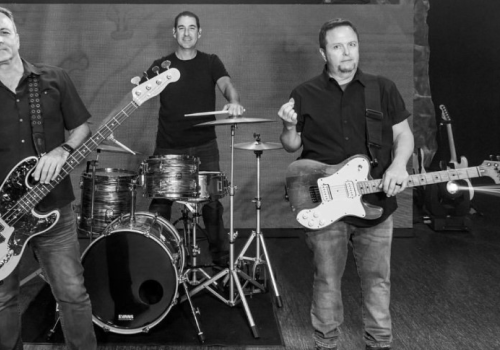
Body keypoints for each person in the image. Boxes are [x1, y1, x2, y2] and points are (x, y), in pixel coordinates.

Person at [278, 19, 414, 350]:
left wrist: (398, 164)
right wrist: (287, 126)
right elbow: (291, 146)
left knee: (378, 282)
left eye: (352, 44)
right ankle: (327, 344)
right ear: (322, 52)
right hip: (325, 205)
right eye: (337, 46)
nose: (347, 52)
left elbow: (404, 134)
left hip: (376, 201)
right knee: (326, 281)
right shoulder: (304, 93)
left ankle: (379, 343)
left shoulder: (382, 88)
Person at [0, 7, 96, 350]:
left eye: (4, 32)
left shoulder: (54, 78)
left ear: (18, 38)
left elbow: (82, 126)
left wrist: (63, 151)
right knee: (2, 300)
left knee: (72, 293)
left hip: (54, 208)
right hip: (2, 220)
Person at [142, 10, 245, 267]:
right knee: (161, 203)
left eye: (191, 28)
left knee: (212, 204)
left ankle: (222, 264)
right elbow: (141, 91)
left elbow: (226, 85)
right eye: (181, 28)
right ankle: (159, 263)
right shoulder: (161, 65)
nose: (186, 33)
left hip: (204, 145)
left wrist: (233, 101)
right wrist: (140, 86)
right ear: (174, 33)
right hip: (168, 144)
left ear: (199, 33)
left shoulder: (211, 62)